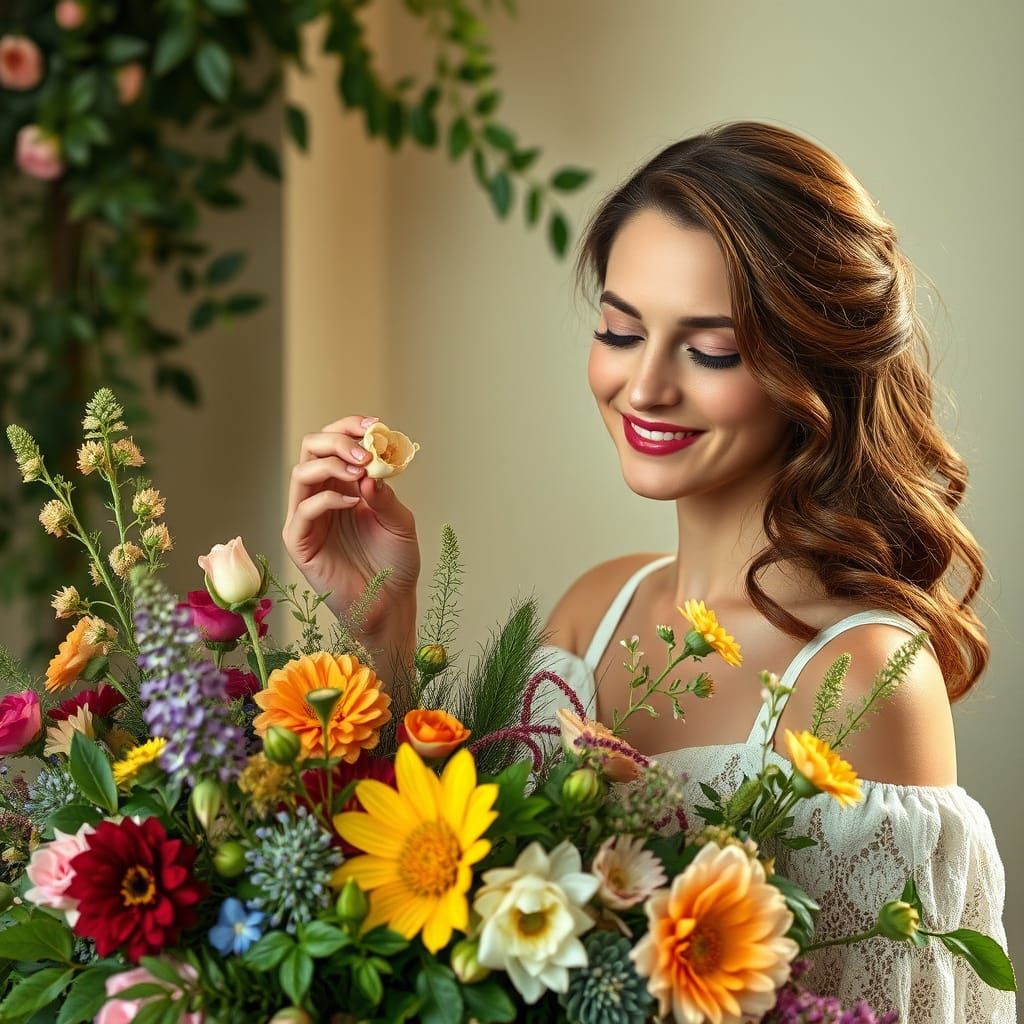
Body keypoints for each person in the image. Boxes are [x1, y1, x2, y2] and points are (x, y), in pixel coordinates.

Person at [283, 121, 1013, 1022]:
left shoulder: (863, 677)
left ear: (813, 360)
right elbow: (429, 914)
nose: (646, 386)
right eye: (621, 330)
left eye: (711, 350)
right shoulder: (595, 610)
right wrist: (382, 629)